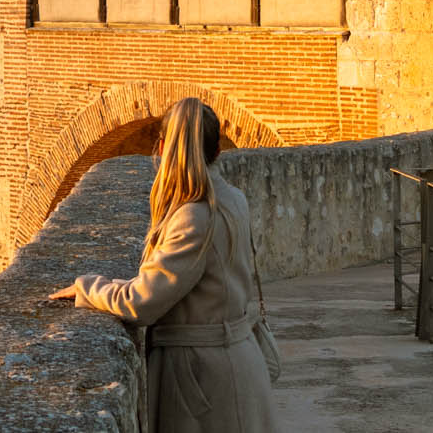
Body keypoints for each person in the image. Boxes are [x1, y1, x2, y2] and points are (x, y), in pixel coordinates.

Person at [51, 97, 278, 433]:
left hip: (202, 379)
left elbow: (142, 302)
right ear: (217, 150)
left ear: (162, 148)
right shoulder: (234, 199)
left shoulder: (194, 216)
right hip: (241, 364)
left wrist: (90, 288)